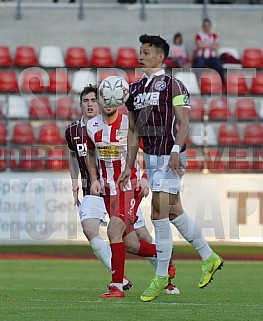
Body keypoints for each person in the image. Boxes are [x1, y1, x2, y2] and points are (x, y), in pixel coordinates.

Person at [118, 34, 224, 302]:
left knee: (158, 212)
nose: (141, 55)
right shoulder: (135, 90)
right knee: (174, 211)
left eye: (146, 51)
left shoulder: (174, 86)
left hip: (171, 155)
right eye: (140, 51)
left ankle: (162, 275)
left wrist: (176, 150)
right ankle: (208, 257)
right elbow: (132, 130)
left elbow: (184, 122)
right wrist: (129, 165)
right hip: (152, 158)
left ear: (160, 57)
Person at [67, 84, 177, 298]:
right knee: (132, 245)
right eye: (104, 99)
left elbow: (149, 153)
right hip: (108, 191)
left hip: (129, 187)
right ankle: (164, 255)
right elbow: (90, 155)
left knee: (112, 231)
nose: (108, 104)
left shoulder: (129, 124)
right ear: (100, 101)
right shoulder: (92, 127)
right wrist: (94, 179)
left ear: (119, 101)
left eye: (112, 100)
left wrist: (145, 178)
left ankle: (116, 286)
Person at [193, 18, 225, 84]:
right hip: (202, 57)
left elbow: (216, 47)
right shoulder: (199, 35)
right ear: (203, 26)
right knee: (198, 66)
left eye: (208, 26)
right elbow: (199, 45)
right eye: (205, 26)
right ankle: (196, 83)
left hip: (212, 58)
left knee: (219, 65)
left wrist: (204, 44)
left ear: (210, 26)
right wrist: (211, 45)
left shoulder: (214, 35)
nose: (206, 27)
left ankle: (223, 83)